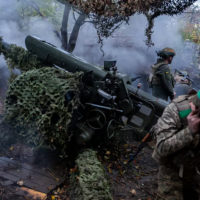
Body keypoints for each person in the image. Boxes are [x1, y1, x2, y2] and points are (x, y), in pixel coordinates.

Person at [152, 91, 200, 200]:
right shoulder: (177, 109)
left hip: (196, 167)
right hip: (172, 165)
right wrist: (189, 131)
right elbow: (162, 147)